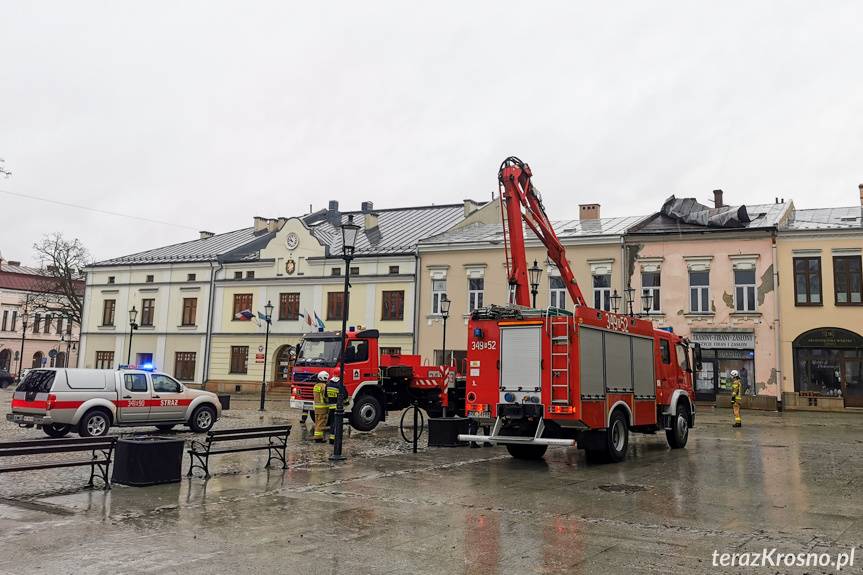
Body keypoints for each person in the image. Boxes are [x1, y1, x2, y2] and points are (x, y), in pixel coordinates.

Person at [312, 371, 330, 443]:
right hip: (323, 408)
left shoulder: (316, 386)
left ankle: (317, 436)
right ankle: (318, 438)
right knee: (321, 423)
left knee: (317, 422)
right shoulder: (324, 386)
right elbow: (325, 397)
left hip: (316, 407)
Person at [326, 376, 342, 444]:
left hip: (330, 407)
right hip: (337, 407)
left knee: (332, 422)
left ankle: (331, 438)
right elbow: (344, 395)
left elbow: (325, 395)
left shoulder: (328, 384)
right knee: (337, 423)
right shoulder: (340, 384)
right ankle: (335, 439)